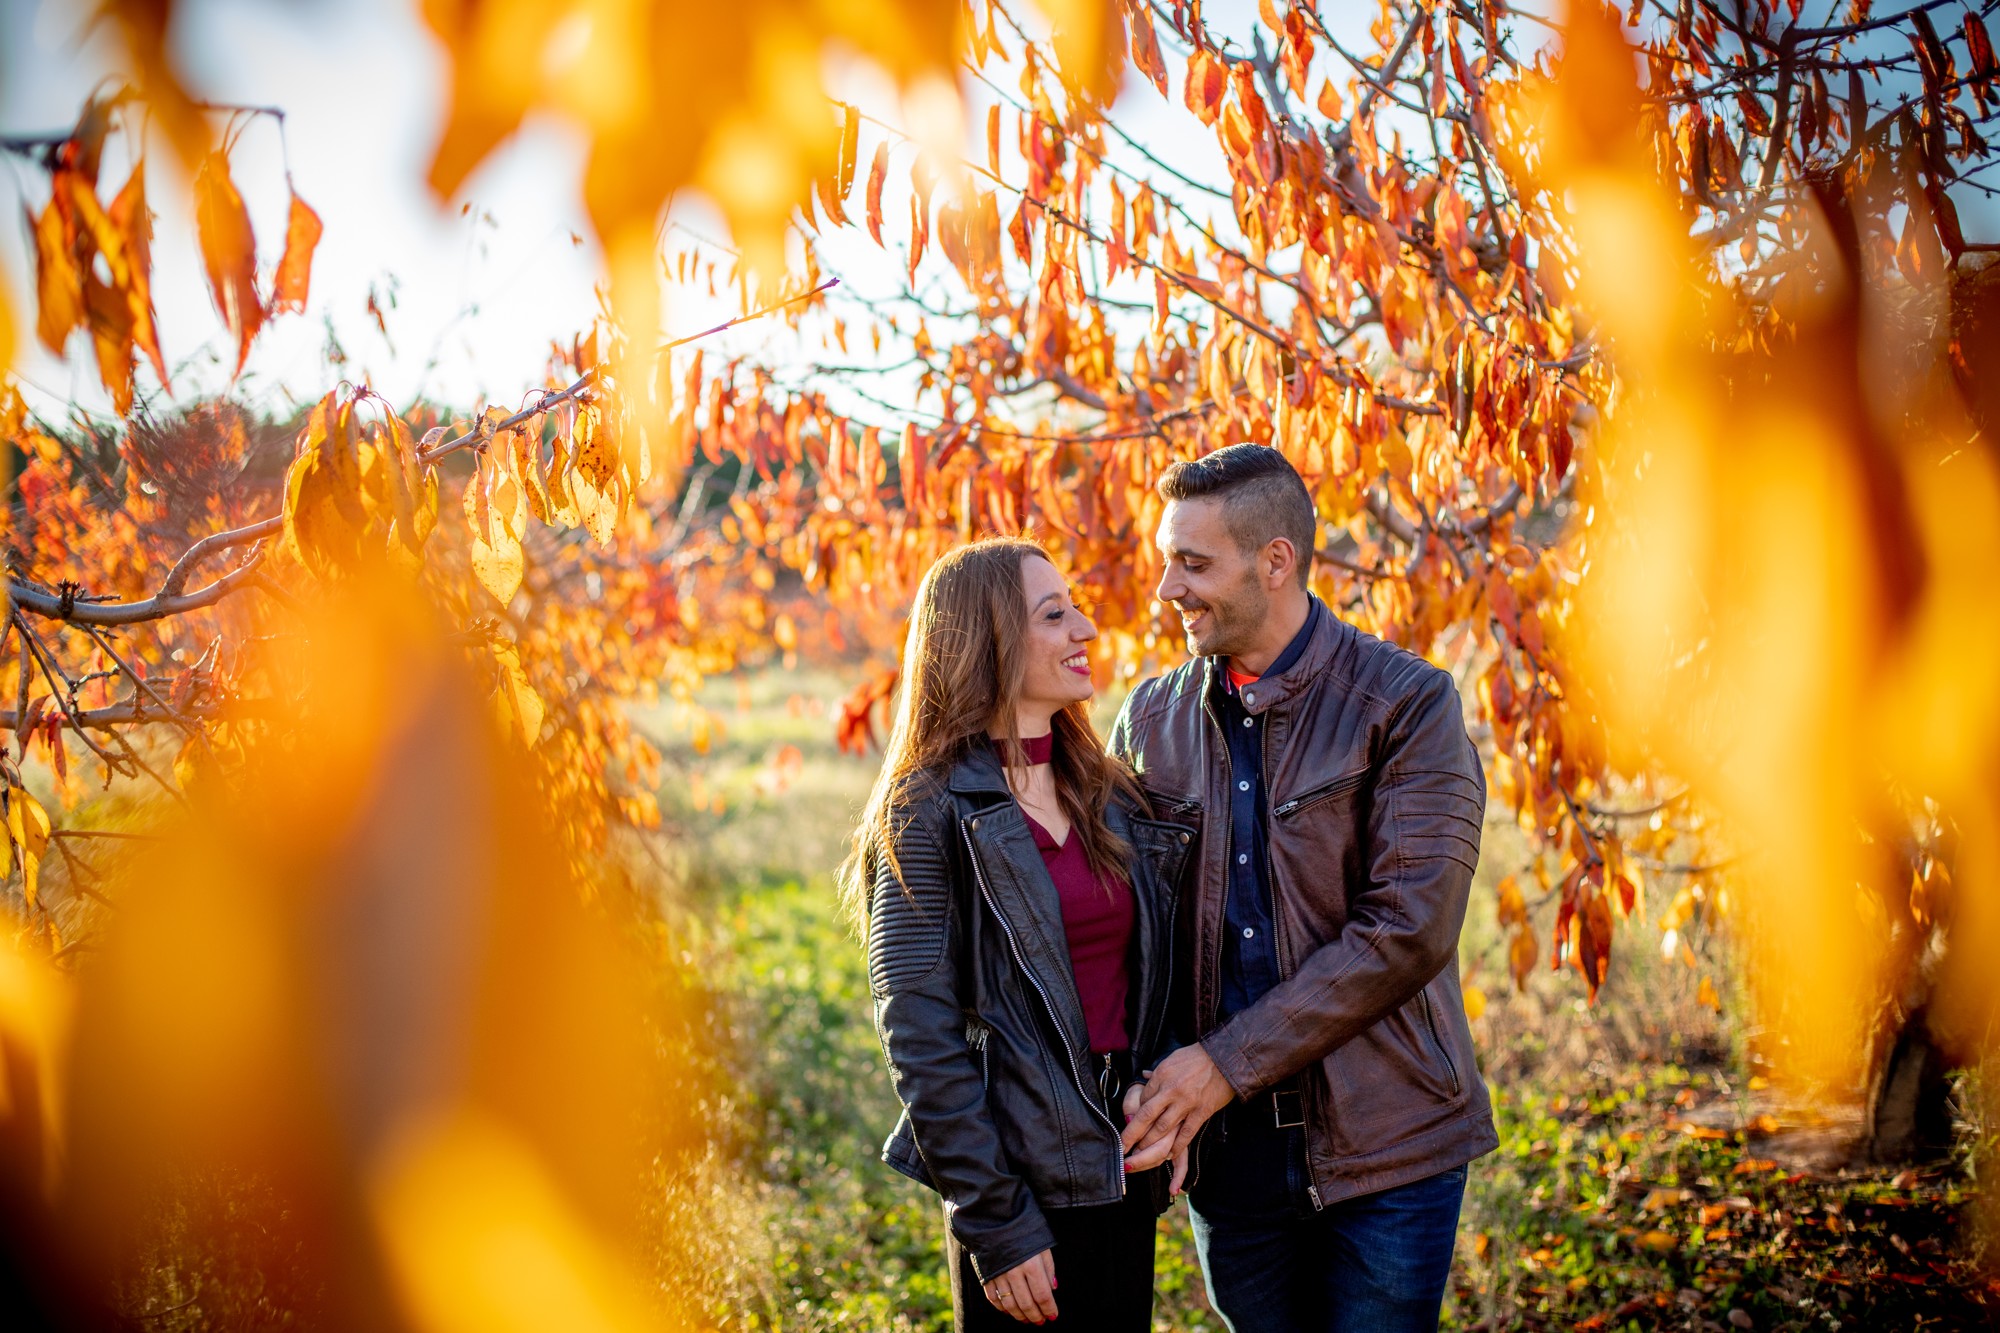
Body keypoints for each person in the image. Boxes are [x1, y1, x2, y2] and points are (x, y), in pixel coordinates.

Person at [1109, 444, 1497, 1333]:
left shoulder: (1406, 704)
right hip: (1229, 1162)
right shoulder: (1149, 721)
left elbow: (1410, 926)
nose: (1168, 586)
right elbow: (1134, 925)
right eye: (1167, 559)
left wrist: (1222, 1065)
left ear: (1275, 560)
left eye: (1193, 563)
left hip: (1388, 1145)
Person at [843, 537, 1194, 1330]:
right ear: (990, 635)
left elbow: (1154, 969)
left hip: (1119, 1168)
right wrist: (995, 1220)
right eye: (1054, 613)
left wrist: (1162, 1088)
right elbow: (919, 1034)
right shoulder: (925, 812)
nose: (1086, 630)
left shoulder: (1109, 793)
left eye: (1075, 607)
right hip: (1019, 1186)